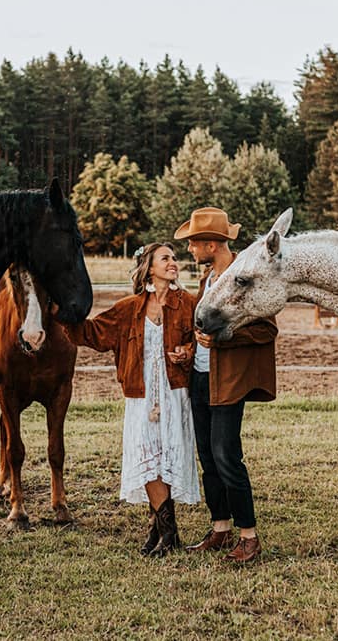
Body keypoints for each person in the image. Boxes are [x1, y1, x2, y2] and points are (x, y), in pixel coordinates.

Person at [64, 243, 200, 557]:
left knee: (167, 458)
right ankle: (168, 532)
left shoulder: (188, 304)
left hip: (174, 392)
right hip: (141, 394)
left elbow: (201, 340)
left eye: (174, 258)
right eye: (165, 258)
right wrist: (63, 312)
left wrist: (188, 351)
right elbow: (93, 333)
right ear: (149, 268)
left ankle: (160, 531)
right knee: (147, 457)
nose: (173, 262)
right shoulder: (129, 308)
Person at [174, 207, 277, 564]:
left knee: (226, 456)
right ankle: (220, 528)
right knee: (208, 457)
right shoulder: (206, 281)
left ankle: (249, 536)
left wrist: (224, 339)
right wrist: (189, 351)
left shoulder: (244, 279)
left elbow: (267, 330)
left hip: (229, 382)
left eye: (193, 243)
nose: (190, 249)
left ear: (212, 245)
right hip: (200, 379)